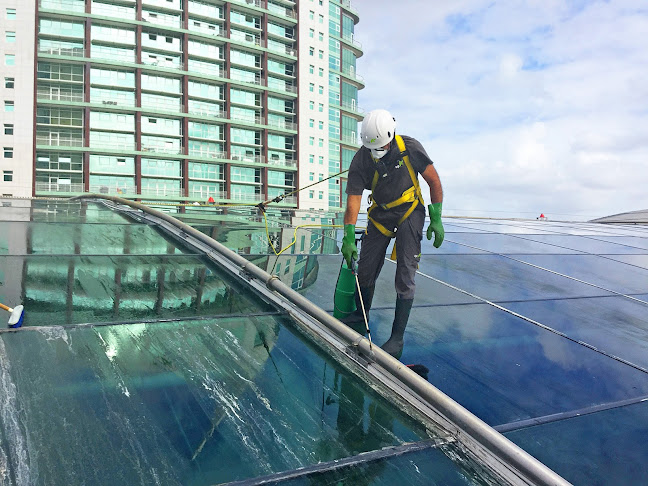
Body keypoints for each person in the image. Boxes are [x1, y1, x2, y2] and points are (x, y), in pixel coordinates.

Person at [341, 109, 444, 358]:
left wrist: (437, 217)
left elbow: (434, 181)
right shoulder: (361, 160)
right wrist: (347, 235)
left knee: (405, 272)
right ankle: (360, 312)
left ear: (391, 135)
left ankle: (397, 338)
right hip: (381, 213)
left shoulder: (410, 148)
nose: (377, 152)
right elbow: (354, 200)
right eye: (372, 149)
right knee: (365, 267)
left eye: (381, 148)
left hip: (410, 210)